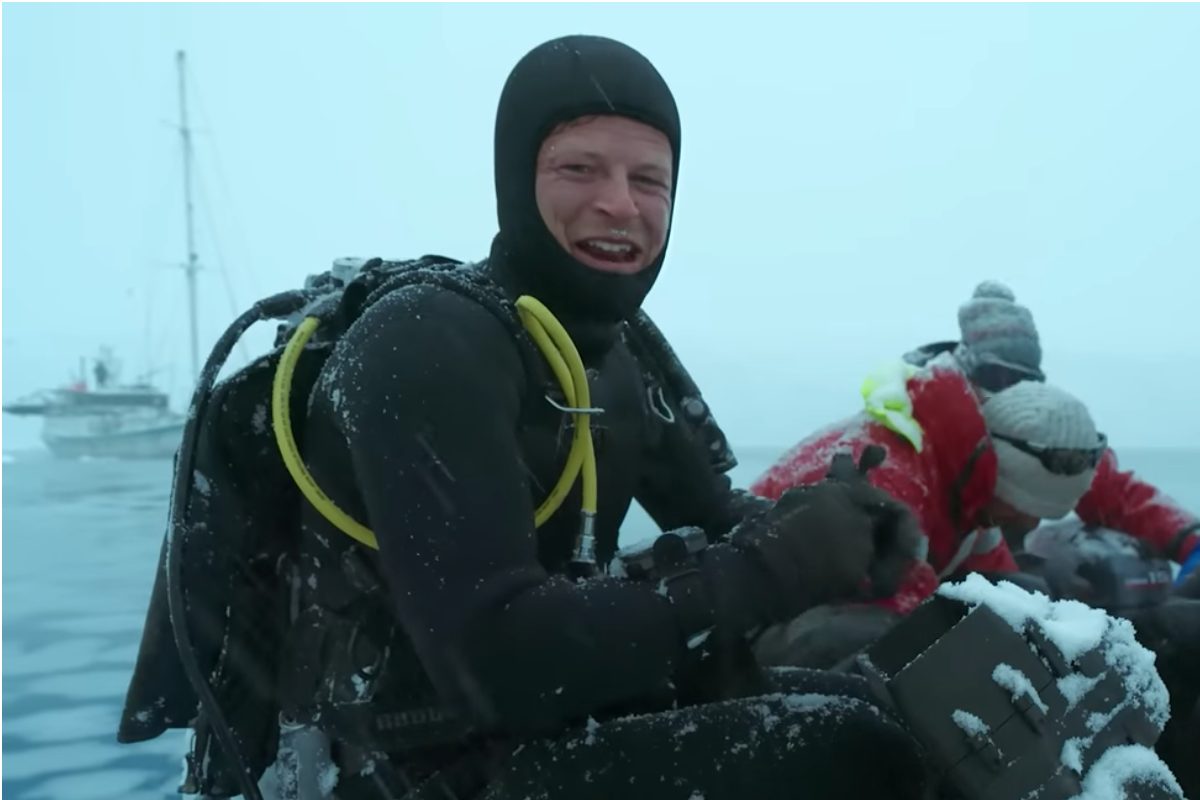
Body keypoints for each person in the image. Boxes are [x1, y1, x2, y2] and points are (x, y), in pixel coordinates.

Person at [119, 35, 935, 800]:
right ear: (515, 176)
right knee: (859, 750)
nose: (619, 204)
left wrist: (845, 535)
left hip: (529, 730)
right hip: (394, 768)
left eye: (649, 180)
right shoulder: (427, 342)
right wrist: (777, 564)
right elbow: (493, 659)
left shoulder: (618, 353)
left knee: (887, 705)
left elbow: (720, 518)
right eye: (579, 168)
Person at [905, 280, 1199, 583]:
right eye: (994, 375)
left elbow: (1100, 484)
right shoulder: (916, 422)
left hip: (988, 566)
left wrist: (1190, 539)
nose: (1007, 389)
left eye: (1023, 379)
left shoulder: (1030, 432)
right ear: (966, 366)